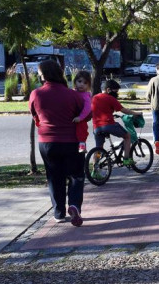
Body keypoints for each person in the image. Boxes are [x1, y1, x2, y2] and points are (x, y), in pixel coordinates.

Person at [29, 60, 85, 226]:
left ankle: (59, 213)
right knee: (76, 175)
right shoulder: (73, 94)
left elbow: (34, 115)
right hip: (71, 141)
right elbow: (83, 113)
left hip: (47, 142)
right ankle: (74, 205)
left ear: (44, 75)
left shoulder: (36, 94)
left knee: (54, 176)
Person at [92, 80, 143, 168]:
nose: (117, 94)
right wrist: (137, 113)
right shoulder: (110, 98)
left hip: (97, 127)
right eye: (115, 92)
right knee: (127, 136)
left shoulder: (95, 97)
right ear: (108, 90)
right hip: (109, 125)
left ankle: (94, 170)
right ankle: (126, 159)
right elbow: (125, 110)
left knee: (98, 149)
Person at [71, 70, 92, 154]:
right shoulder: (72, 92)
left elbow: (87, 108)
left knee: (82, 132)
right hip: (73, 117)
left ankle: (82, 146)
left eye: (85, 82)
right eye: (79, 81)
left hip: (81, 118)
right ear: (75, 82)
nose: (82, 84)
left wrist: (80, 117)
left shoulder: (86, 95)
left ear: (89, 85)